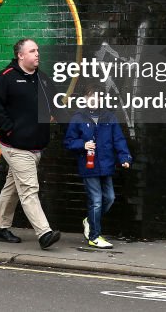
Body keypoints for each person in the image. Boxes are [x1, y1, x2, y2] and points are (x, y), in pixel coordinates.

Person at [0, 38, 61, 250]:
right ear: (20, 55)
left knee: (12, 187)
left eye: (37, 50)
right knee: (29, 189)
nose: (37, 54)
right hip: (16, 146)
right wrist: (10, 131)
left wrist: (54, 113)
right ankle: (44, 233)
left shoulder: (42, 78)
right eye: (32, 51)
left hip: (36, 146)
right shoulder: (6, 78)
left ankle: (0, 228)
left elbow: (55, 100)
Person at [62, 80, 132, 249]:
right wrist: (82, 145)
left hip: (106, 165)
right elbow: (68, 142)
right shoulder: (78, 118)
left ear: (102, 99)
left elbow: (119, 140)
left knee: (109, 198)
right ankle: (94, 236)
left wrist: (125, 157)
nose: (93, 100)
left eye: (97, 97)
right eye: (90, 97)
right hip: (89, 166)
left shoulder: (110, 117)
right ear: (85, 98)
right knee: (97, 200)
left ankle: (89, 220)